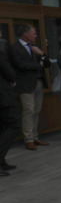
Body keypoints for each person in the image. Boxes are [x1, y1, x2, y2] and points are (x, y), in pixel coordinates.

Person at [9, 24, 51, 151]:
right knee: (28, 111)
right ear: (25, 34)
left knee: (37, 111)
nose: (35, 36)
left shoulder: (36, 47)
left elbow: (47, 63)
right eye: (34, 33)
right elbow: (21, 65)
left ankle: (35, 136)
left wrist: (42, 54)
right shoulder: (14, 48)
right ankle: (28, 139)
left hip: (38, 82)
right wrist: (38, 65)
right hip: (25, 85)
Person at [0, 38, 19, 175]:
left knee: (2, 127)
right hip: (3, 96)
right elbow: (10, 73)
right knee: (14, 125)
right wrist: (12, 80)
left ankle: (2, 160)